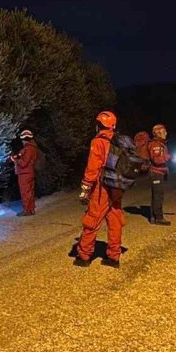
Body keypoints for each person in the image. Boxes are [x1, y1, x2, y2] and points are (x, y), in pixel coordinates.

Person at [74, 110, 124, 268]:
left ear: (99, 124)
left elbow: (93, 167)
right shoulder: (118, 140)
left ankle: (84, 256)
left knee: (92, 219)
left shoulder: (99, 141)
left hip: (102, 186)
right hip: (117, 185)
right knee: (114, 218)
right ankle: (114, 256)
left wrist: (85, 188)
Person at [147, 124, 172, 226]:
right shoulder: (156, 144)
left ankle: (153, 217)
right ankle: (159, 218)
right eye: (164, 131)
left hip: (158, 172)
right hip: (156, 172)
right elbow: (156, 160)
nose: (166, 133)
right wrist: (168, 157)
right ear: (158, 133)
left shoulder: (160, 144)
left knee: (156, 195)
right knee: (158, 195)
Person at [10, 129, 39, 216]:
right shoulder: (33, 148)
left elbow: (23, 163)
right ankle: (31, 209)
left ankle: (26, 210)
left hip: (24, 173)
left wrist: (15, 160)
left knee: (25, 192)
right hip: (29, 172)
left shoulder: (28, 149)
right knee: (30, 191)